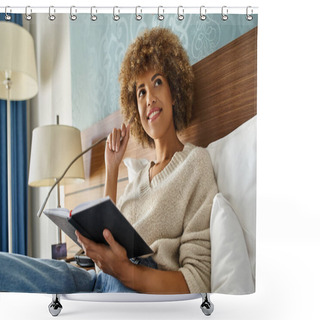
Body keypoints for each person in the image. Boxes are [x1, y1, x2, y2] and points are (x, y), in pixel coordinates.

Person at [0, 27, 217, 295]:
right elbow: (108, 239)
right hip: (99, 282)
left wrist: (125, 270)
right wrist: (112, 169)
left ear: (175, 91)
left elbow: (197, 280)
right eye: (140, 91)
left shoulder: (195, 164)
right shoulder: (137, 181)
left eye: (158, 82)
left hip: (139, 288)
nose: (149, 98)